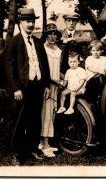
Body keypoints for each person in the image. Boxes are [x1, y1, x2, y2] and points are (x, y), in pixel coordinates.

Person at [5, 8, 51, 164]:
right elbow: (10, 67)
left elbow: (44, 64)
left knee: (34, 120)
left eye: (33, 21)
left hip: (37, 85)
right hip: (22, 88)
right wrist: (16, 88)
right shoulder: (14, 42)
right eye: (28, 22)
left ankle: (32, 148)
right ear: (21, 23)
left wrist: (46, 86)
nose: (31, 24)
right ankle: (16, 153)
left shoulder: (38, 42)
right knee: (19, 120)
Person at [39, 21, 63, 158]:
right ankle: (44, 144)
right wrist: (55, 82)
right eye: (50, 34)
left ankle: (45, 143)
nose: (52, 37)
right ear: (46, 36)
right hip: (47, 86)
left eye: (55, 34)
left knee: (52, 113)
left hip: (56, 86)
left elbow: (56, 70)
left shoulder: (58, 50)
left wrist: (64, 78)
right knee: (45, 114)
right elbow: (45, 71)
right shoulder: (43, 49)